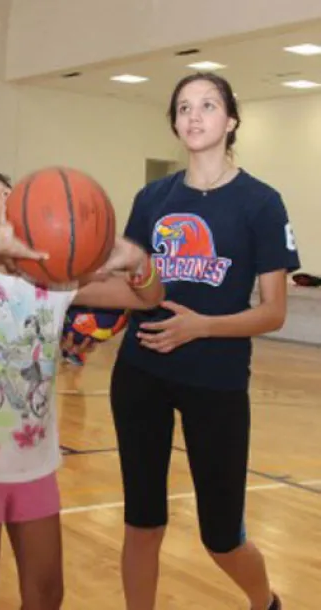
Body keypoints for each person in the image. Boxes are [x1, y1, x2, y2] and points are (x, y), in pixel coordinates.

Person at [0, 169, 164, 610]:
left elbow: (148, 298)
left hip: (35, 466)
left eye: (9, 190)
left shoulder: (55, 279)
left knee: (46, 596)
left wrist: (136, 259)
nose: (4, 196)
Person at [110, 72, 296, 610]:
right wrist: (70, 293)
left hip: (214, 380)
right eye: (184, 107)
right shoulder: (151, 198)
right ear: (174, 122)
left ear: (231, 121)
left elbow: (274, 311)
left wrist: (203, 326)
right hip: (141, 373)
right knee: (141, 521)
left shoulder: (262, 203)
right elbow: (134, 284)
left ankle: (266, 603)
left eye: (208, 105)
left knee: (221, 535)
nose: (193, 115)